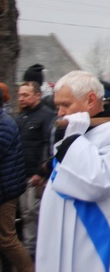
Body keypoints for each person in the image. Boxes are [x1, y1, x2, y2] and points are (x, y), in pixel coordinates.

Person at [37, 70, 110, 271]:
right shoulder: (79, 132)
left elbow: (98, 183)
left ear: (91, 100)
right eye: (58, 106)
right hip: (70, 241)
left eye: (66, 105)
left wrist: (73, 141)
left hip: (104, 241)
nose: (60, 113)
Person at [15, 80, 56, 257]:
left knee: (34, 214)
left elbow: (49, 145)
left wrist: (42, 172)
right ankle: (29, 253)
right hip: (21, 173)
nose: (21, 98)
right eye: (20, 95)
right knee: (25, 215)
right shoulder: (21, 117)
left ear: (37, 95)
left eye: (26, 95)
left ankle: (36, 255)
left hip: (37, 176)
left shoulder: (47, 116)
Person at [0, 105, 34, 272]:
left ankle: (27, 268)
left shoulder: (4, 124)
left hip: (5, 191)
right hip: (5, 188)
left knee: (7, 239)